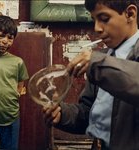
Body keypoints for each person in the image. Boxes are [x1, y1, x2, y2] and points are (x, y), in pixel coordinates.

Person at [43, 0, 139, 150]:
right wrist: (62, 114)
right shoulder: (101, 60)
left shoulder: (99, 64)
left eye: (104, 19)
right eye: (94, 20)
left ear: (130, 14)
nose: (97, 28)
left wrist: (99, 64)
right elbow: (88, 114)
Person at [0, 15, 29, 150]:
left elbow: (20, 85)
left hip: (11, 119)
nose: (6, 41)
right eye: (1, 36)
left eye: (10, 37)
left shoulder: (17, 62)